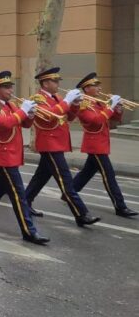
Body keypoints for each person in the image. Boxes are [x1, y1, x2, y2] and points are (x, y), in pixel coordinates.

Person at [0, 71, 50, 244]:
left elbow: (24, 124)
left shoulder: (10, 105)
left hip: (12, 154)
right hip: (4, 157)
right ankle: (29, 231)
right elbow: (4, 124)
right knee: (19, 195)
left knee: (0, 188)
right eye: (6, 87)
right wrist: (23, 111)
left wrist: (31, 114)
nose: (11, 89)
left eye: (10, 86)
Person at [24, 67, 100, 226]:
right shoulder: (37, 98)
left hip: (58, 142)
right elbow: (49, 117)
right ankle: (81, 214)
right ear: (45, 83)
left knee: (41, 177)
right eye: (55, 81)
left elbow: (69, 117)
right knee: (66, 180)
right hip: (49, 144)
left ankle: (25, 203)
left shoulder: (57, 96)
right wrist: (66, 101)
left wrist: (75, 105)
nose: (58, 84)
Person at [72, 73, 137, 218]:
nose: (100, 88)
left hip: (101, 143)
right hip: (95, 146)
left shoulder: (98, 102)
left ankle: (69, 192)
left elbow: (114, 118)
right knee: (109, 175)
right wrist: (110, 106)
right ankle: (120, 206)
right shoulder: (83, 106)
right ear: (87, 88)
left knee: (87, 172)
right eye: (96, 86)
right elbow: (97, 120)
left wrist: (118, 107)